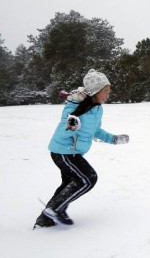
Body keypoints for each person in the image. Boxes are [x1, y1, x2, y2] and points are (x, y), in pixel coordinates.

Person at [34, 69, 130, 229]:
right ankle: (55, 209)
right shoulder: (75, 105)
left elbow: (96, 131)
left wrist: (113, 139)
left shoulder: (97, 108)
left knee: (69, 183)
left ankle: (45, 219)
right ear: (95, 91)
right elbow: (66, 124)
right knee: (88, 178)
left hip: (73, 152)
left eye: (108, 91)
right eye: (105, 91)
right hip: (63, 152)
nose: (108, 95)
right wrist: (72, 125)